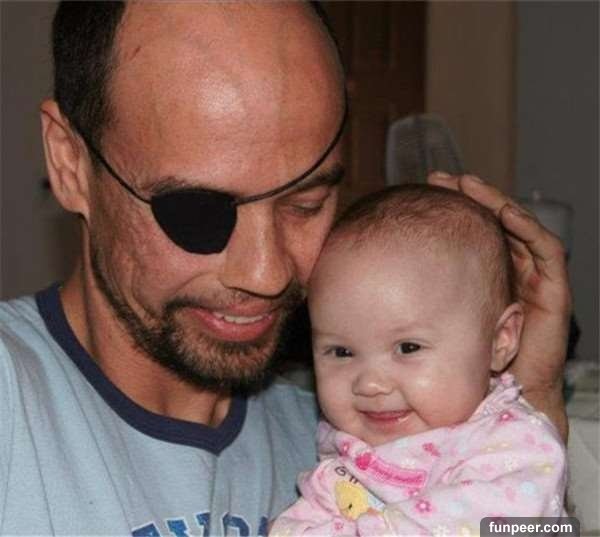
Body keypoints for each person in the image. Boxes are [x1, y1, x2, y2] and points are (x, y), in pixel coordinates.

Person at [0, 2, 571, 536]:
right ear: (70, 163)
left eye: (305, 204)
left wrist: (524, 399)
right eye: (198, 212)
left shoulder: (370, 422)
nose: (266, 274)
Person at [270, 185, 567, 536]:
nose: (370, 384)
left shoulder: (517, 446)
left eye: (408, 348)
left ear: (500, 340)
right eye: (341, 352)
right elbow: (314, 507)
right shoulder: (345, 442)